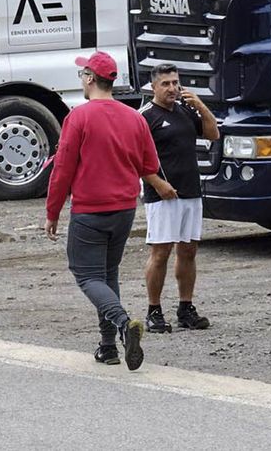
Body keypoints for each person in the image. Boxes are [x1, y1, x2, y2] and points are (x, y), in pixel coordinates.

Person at [44, 51, 170, 371]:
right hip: (125, 209)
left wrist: (53, 212)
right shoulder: (135, 118)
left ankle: (124, 324)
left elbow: (62, 170)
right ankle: (107, 346)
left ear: (90, 78)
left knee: (86, 275)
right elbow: (150, 165)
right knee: (107, 274)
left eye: (81, 76)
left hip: (90, 210)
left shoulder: (80, 117)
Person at [139, 63, 220, 333]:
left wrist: (200, 105)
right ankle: (154, 310)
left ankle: (186, 308)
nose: (172, 88)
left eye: (175, 83)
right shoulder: (146, 117)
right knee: (161, 252)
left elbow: (213, 133)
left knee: (189, 250)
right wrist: (157, 183)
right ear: (154, 86)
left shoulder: (186, 110)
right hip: (162, 196)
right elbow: (133, 157)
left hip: (190, 192)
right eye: (166, 84)